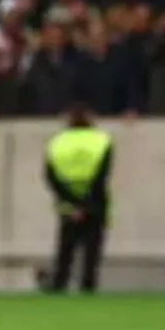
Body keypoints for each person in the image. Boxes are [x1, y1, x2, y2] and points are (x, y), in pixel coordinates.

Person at [43, 104, 113, 294]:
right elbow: (102, 175)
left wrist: (73, 204)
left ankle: (59, 284)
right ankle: (88, 286)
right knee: (92, 251)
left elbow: (50, 176)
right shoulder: (102, 140)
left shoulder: (57, 142)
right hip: (95, 203)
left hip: (67, 204)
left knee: (66, 248)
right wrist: (86, 204)